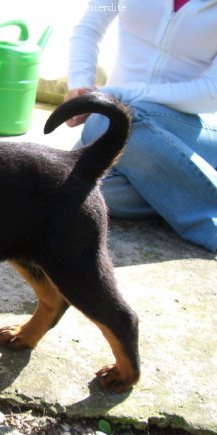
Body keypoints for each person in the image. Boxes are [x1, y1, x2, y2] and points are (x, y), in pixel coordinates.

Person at [65, 0, 217, 252]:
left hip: (193, 130)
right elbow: (89, 27)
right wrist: (80, 85)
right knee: (77, 188)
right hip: (120, 128)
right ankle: (185, 182)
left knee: (109, 118)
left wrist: (109, 95)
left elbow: (211, 92)